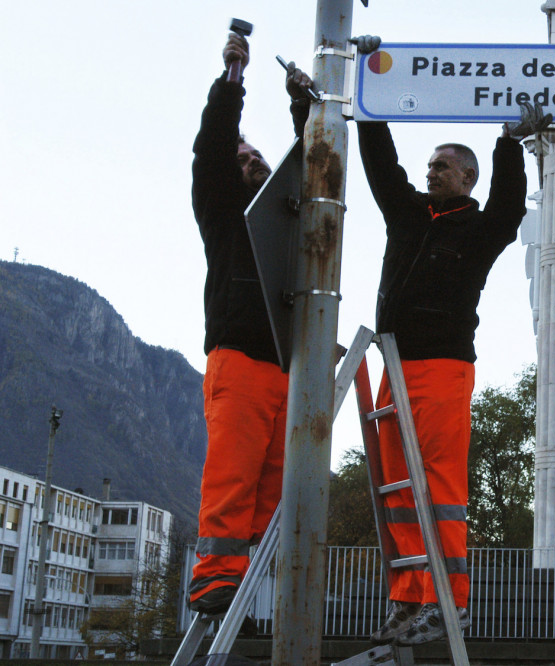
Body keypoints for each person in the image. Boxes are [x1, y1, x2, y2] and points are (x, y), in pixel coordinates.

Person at [356, 99, 549, 645]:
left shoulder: (480, 230)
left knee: (438, 487)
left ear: (467, 177)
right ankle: (410, 596)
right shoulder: (409, 214)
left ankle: (450, 603)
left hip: (442, 367)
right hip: (393, 364)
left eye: (441, 166)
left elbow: (510, 208)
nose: (429, 172)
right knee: (397, 490)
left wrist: (508, 144)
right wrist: (371, 109)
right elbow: (383, 169)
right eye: (430, 166)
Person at [187, 30, 312, 615]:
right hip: (237, 357)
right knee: (233, 478)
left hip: (288, 361)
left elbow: (312, 168)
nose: (253, 161)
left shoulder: (284, 217)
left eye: (257, 155)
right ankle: (215, 578)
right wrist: (233, 76)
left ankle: (257, 585)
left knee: (274, 488)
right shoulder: (223, 212)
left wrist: (301, 106)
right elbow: (211, 150)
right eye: (244, 160)